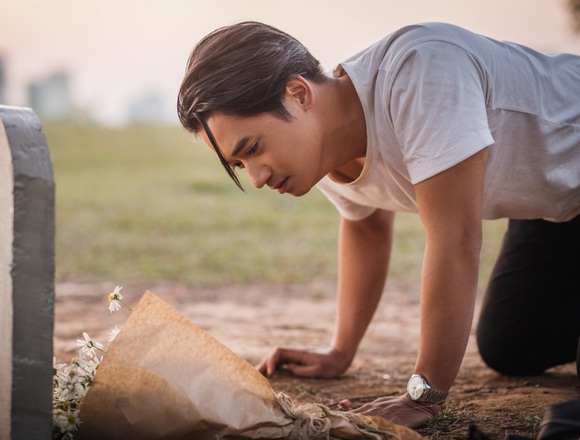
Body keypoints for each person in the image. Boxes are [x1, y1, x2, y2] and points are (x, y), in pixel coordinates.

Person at [177, 21, 580, 429]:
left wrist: (423, 396)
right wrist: (340, 351)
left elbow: (455, 239)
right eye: (240, 165)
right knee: (510, 348)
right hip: (555, 209)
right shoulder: (324, 149)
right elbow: (365, 226)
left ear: (298, 94)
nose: (257, 177)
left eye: (253, 149)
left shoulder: (420, 70)